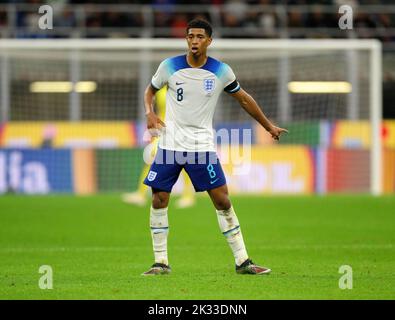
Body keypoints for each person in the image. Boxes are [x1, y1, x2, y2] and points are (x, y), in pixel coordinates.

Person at [142, 19, 288, 276]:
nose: (194, 41)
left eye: (199, 37)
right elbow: (150, 91)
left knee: (222, 200)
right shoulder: (169, 66)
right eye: (190, 36)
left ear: (209, 41)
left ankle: (243, 261)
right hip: (170, 145)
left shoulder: (221, 71)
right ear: (186, 39)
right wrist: (149, 112)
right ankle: (160, 262)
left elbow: (243, 99)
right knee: (159, 198)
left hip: (201, 147)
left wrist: (268, 126)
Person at [122, 86, 196, 208]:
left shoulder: (187, 87)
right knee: (152, 157)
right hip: (164, 129)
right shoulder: (161, 90)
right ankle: (140, 194)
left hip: (181, 129)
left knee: (183, 161)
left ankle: (188, 196)